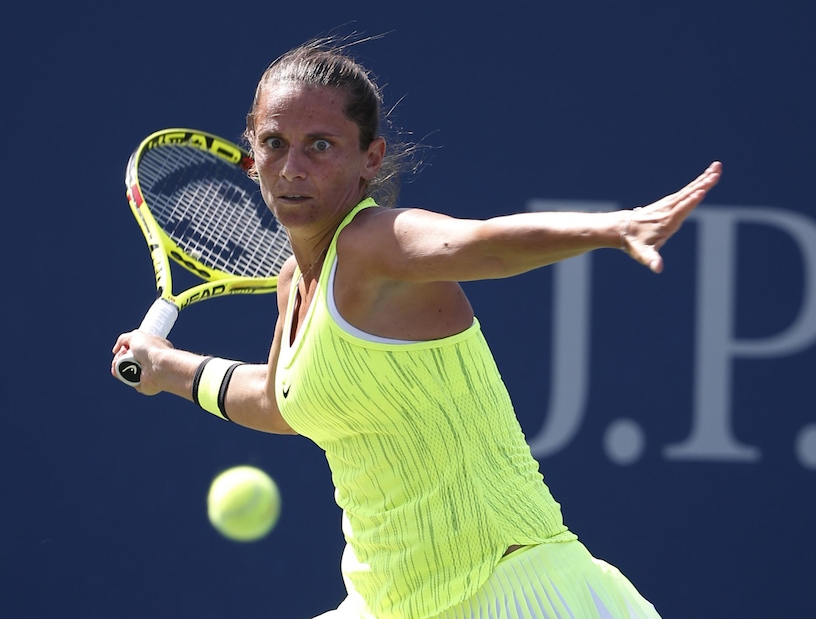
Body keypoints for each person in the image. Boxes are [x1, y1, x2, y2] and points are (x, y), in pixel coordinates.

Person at [112, 37, 721, 619]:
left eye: (320, 145)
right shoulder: (293, 282)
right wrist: (166, 366)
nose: (292, 167)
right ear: (253, 154)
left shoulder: (373, 245)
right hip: (387, 602)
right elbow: (278, 401)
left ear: (369, 159)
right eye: (274, 143)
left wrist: (613, 228)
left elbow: (484, 245)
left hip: (509, 588)